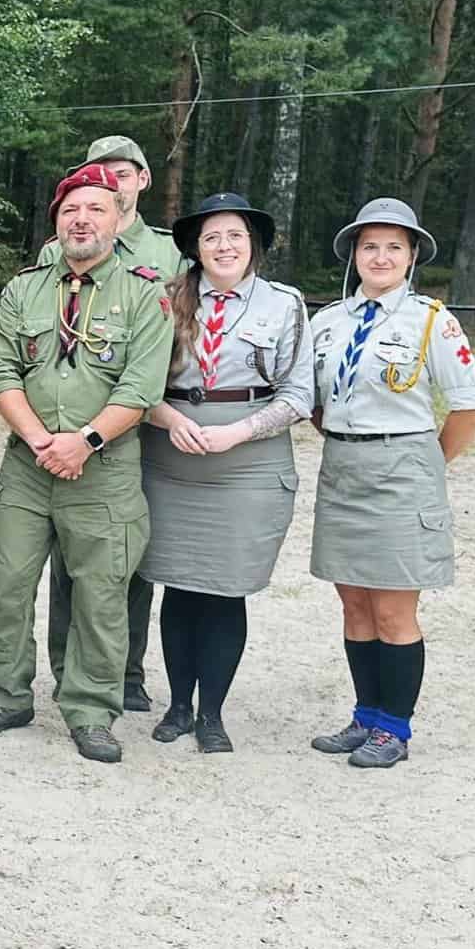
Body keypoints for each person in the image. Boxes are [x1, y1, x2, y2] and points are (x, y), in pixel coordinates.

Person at [0, 164, 172, 763]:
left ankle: (90, 710)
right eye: (70, 210)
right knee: (7, 582)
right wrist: (41, 441)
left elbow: (141, 387)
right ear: (56, 221)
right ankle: (5, 695)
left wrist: (84, 442)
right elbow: (0, 371)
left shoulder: (145, 293)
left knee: (100, 597)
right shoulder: (24, 289)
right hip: (27, 470)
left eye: (96, 209)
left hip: (105, 471)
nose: (82, 220)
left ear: (118, 219)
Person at [307, 197, 475, 768]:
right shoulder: (328, 322)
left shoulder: (432, 321)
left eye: (393, 247)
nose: (380, 257)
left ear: (411, 257)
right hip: (342, 468)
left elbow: (469, 407)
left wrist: (428, 464)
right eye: (369, 246)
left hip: (403, 469)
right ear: (354, 255)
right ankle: (365, 716)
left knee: (392, 610)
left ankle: (394, 729)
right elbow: (315, 400)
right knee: (354, 605)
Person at [135, 193, 313, 752]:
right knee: (179, 585)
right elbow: (136, 382)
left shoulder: (284, 304)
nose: (224, 246)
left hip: (248, 461)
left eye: (235, 235)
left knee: (224, 589)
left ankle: (212, 713)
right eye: (211, 237)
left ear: (253, 244)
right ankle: (178, 707)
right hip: (172, 456)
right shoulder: (165, 299)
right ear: (196, 248)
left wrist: (239, 432)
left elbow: (299, 394)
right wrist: (169, 419)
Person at [39, 135, 184, 714]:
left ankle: (125, 671)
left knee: (127, 555)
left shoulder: (170, 253)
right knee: (68, 552)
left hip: (144, 423)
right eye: (99, 173)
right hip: (70, 427)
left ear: (142, 180)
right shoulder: (60, 246)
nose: (112, 182)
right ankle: (65, 667)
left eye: (122, 173)